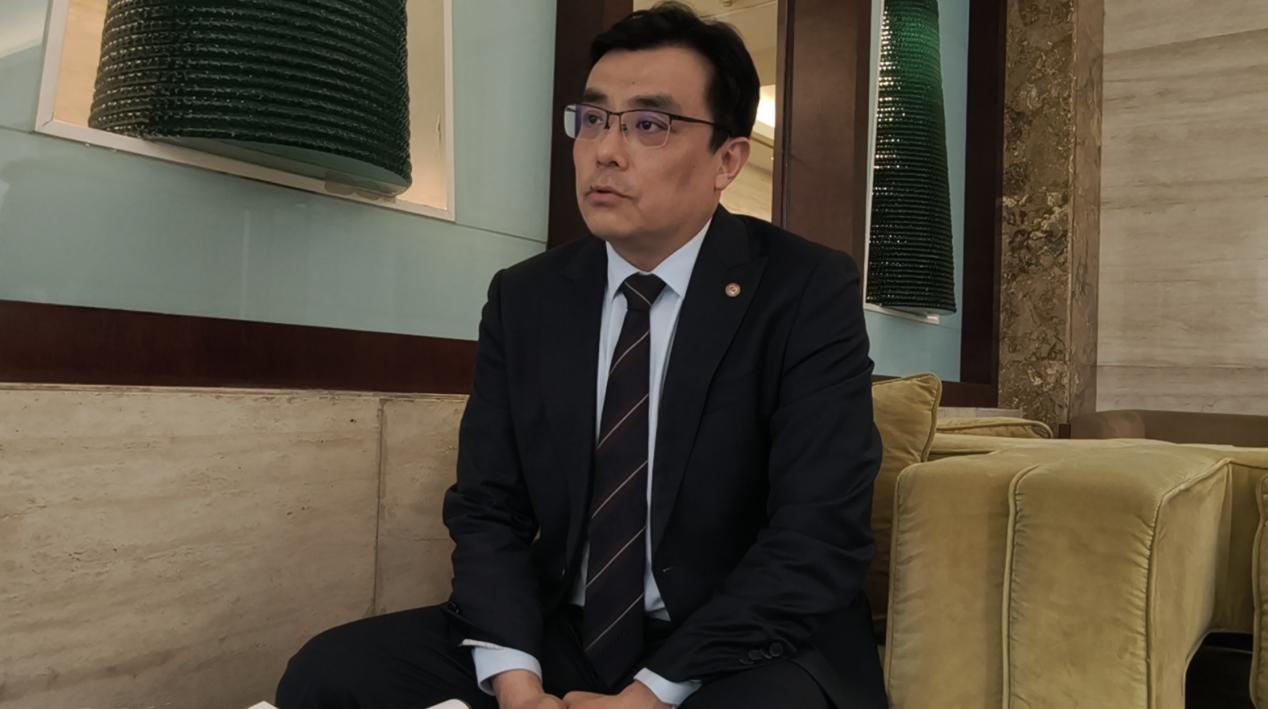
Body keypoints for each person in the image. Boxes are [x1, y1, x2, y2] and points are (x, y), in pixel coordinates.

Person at [276, 3, 886, 708]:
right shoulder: (526, 296)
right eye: (593, 119)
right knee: (328, 673)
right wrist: (518, 685)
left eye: (648, 125)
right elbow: (489, 508)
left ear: (727, 160)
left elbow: (817, 534)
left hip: (740, 643)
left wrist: (647, 697)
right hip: (568, 629)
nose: (605, 151)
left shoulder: (804, 288)